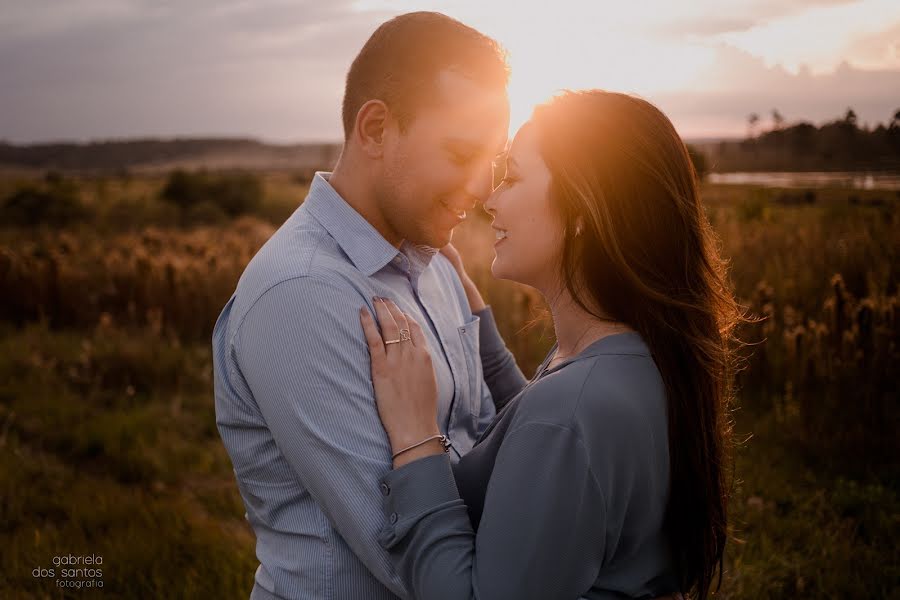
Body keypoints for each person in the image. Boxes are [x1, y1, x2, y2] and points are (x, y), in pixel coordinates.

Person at [361, 90, 741, 599]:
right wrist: (480, 326)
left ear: (582, 209)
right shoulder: (636, 358)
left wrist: (416, 439)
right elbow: (539, 441)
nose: (490, 199)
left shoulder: (568, 414)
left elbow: (554, 432)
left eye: (513, 177)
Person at [212, 12, 521, 600]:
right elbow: (404, 544)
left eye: (496, 160)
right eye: (460, 152)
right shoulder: (301, 294)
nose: (483, 188)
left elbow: (484, 438)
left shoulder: (435, 264)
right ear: (375, 128)